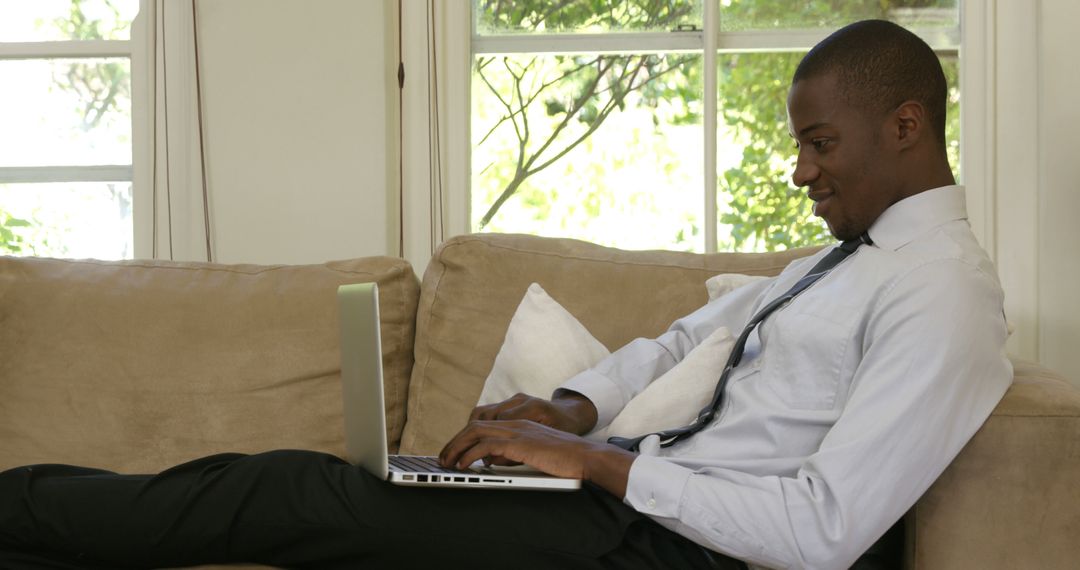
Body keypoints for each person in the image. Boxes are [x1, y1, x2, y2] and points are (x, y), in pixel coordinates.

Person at [1, 19, 1011, 570]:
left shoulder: (945, 299)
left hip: (677, 548)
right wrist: (572, 411)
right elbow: (675, 343)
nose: (800, 171)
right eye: (800, 144)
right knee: (325, 489)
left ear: (907, 127)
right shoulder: (838, 262)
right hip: (638, 506)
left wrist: (596, 466)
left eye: (819, 143)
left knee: (298, 494)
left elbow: (825, 532)